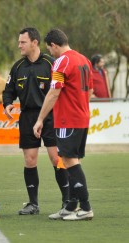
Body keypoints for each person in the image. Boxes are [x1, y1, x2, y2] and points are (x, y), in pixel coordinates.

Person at [2, 27, 69, 215]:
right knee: (29, 160)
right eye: (19, 42)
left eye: (22, 42)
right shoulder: (17, 67)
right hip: (27, 117)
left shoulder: (52, 63)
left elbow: (61, 90)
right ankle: (33, 204)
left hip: (51, 116)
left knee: (56, 158)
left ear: (34, 42)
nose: (19, 45)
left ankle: (67, 201)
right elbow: (8, 91)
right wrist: (7, 104)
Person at [33, 28, 94, 221]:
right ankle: (70, 206)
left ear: (54, 45)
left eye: (49, 49)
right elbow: (90, 89)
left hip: (69, 119)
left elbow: (53, 93)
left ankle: (85, 208)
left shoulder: (62, 61)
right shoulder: (84, 59)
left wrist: (40, 119)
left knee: (69, 161)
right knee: (72, 159)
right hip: (82, 117)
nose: (50, 53)